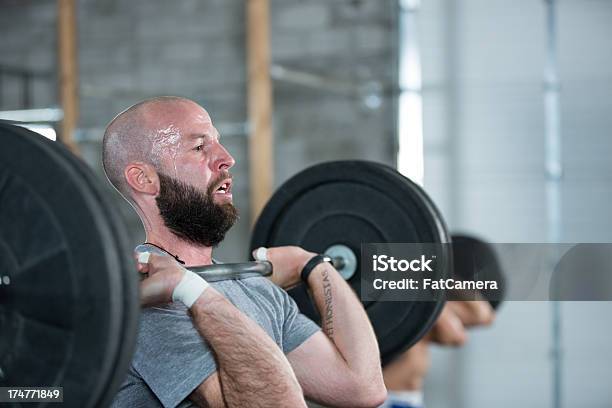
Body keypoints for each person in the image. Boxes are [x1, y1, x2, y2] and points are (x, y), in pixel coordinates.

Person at [103, 96, 387, 408]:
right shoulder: (147, 297)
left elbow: (363, 388)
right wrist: (191, 291)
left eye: (218, 143)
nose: (226, 158)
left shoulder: (256, 290)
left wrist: (314, 266)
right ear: (144, 179)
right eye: (199, 147)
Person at [380, 300, 495, 408]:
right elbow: (459, 334)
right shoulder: (420, 302)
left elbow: (485, 316)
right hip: (386, 396)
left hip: (409, 398)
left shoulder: (434, 303)